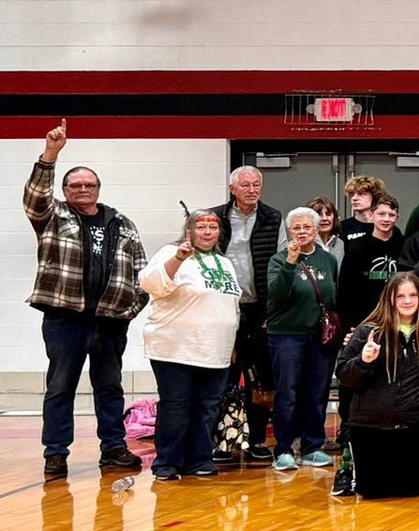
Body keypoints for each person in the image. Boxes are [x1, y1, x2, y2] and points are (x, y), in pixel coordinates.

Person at [25, 120, 149, 479]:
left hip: (111, 321)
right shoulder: (52, 215)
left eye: (89, 184)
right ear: (64, 190)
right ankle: (56, 453)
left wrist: (129, 310)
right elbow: (35, 197)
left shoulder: (121, 222)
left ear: (98, 189)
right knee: (60, 387)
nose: (83, 189)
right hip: (65, 320)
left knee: (110, 387)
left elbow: (141, 270)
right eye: (75, 185)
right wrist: (51, 155)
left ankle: (113, 449)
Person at [138, 208, 240, 480]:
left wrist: (231, 343)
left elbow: (232, 305)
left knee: (207, 407)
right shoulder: (171, 254)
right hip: (176, 348)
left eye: (213, 228)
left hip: (215, 349)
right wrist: (178, 258)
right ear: (189, 232)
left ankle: (199, 459)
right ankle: (167, 463)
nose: (207, 232)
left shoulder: (225, 263)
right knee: (176, 406)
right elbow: (150, 283)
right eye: (201, 227)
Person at [335, 274, 419, 498]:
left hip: (414, 427)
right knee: (373, 494)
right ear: (389, 299)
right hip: (370, 427)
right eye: (400, 296)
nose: (407, 301)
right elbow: (344, 376)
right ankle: (348, 469)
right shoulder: (367, 332)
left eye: (412, 295)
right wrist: (364, 361)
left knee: (408, 493)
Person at [265, 206, 339, 472]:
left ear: (317, 229)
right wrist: (290, 263)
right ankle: (283, 449)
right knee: (288, 392)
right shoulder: (278, 259)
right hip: (286, 335)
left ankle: (312, 446)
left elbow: (333, 295)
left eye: (307, 227)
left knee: (316, 391)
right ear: (289, 231)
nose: (302, 232)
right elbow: (277, 294)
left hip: (319, 337)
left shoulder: (328, 260)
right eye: (296, 228)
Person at [218, 163, 283, 463]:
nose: (252, 189)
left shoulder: (273, 217)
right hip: (225, 308)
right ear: (233, 189)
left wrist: (274, 308)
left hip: (260, 310)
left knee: (261, 379)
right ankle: (222, 441)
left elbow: (281, 266)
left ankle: (257, 440)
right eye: (245, 184)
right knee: (226, 378)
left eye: (257, 184)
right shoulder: (216, 217)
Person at [337, 195, 405, 330]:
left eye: (391, 215)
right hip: (364, 320)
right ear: (371, 215)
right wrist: (350, 325)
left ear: (397, 217)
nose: (386, 219)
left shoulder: (404, 245)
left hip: (399, 319)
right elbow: (345, 289)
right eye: (381, 214)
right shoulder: (356, 247)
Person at [309, 197, 345, 265]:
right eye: (319, 214)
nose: (324, 218)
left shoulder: (340, 244)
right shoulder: (303, 244)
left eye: (328, 214)